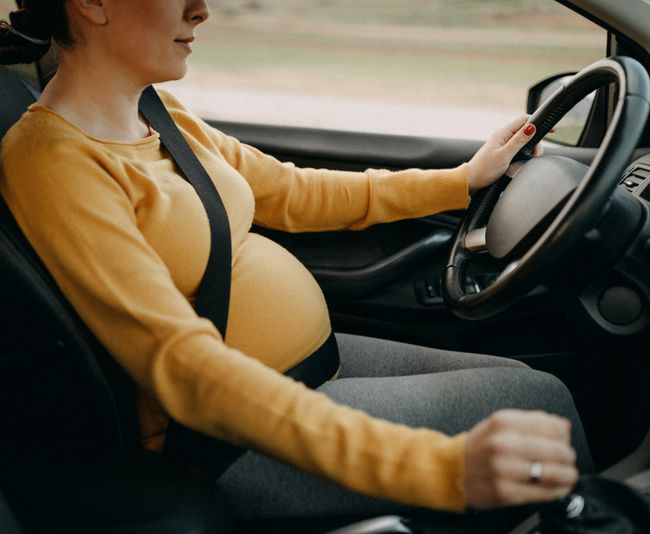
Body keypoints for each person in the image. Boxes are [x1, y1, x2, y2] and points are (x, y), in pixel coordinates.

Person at [0, 0, 593, 523]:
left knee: (534, 386)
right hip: (221, 437)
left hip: (307, 365)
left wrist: (461, 181)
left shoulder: (158, 113)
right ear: (92, 3)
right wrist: (442, 470)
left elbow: (290, 191)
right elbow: (183, 367)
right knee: (541, 406)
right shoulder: (55, 163)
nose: (202, 9)